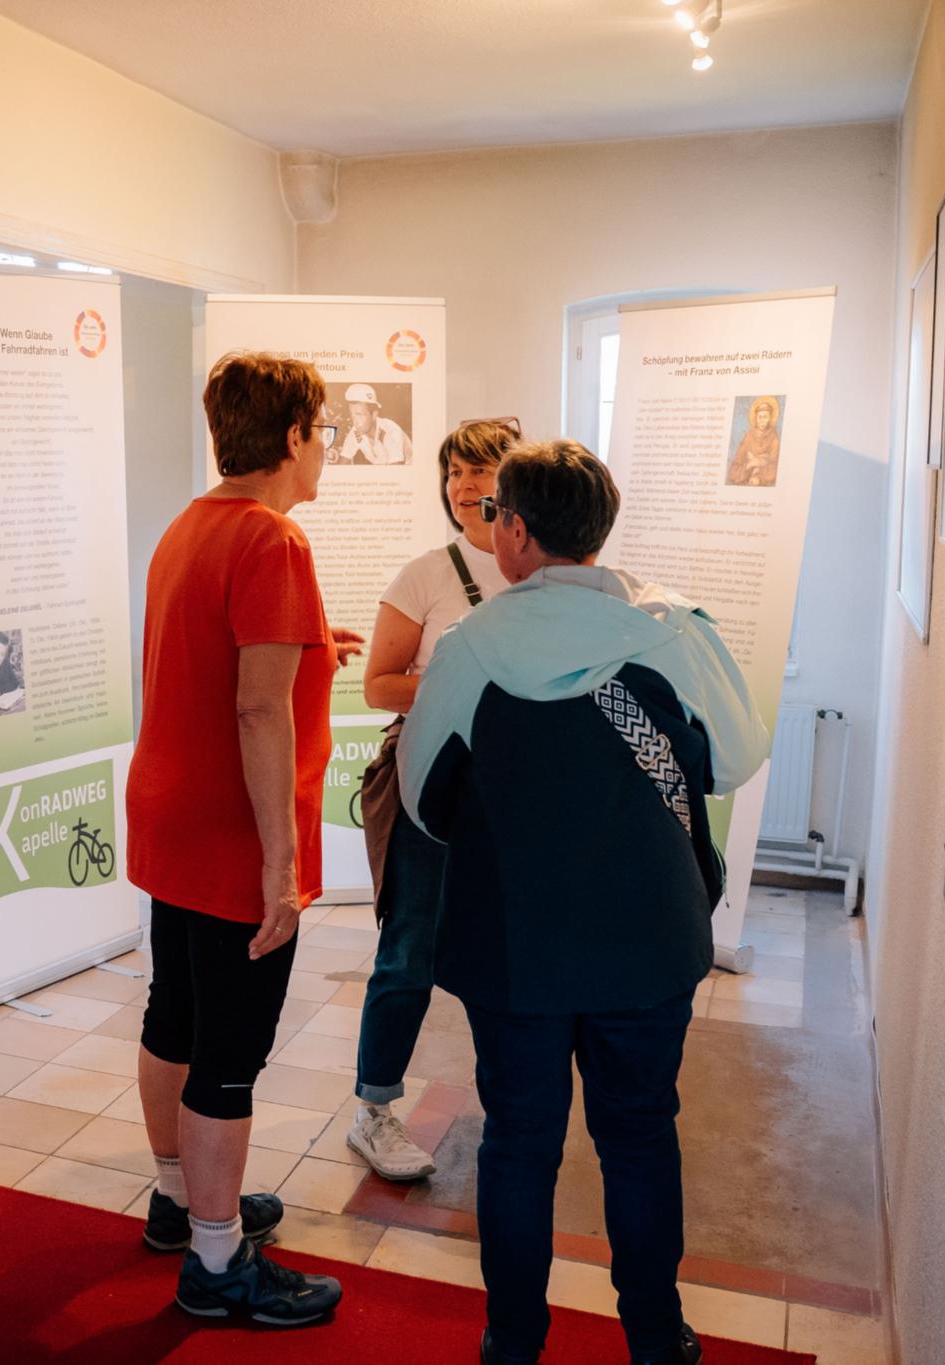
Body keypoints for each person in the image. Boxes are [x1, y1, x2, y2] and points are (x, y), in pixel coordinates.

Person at [397, 440, 767, 1365]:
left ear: (514, 529)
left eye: (495, 518)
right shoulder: (674, 630)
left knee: (518, 1142)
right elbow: (734, 757)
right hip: (648, 934)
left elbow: (422, 798)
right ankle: (653, 1333)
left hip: (511, 940)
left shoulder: (470, 648)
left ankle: (514, 1339)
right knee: (640, 1132)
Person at [127, 351, 363, 1327]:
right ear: (295, 436)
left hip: (169, 816)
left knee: (172, 1014)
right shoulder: (273, 543)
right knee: (227, 1051)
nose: (327, 454)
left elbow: (233, 658)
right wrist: (281, 868)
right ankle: (219, 1265)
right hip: (232, 839)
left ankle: (179, 1204)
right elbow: (257, 711)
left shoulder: (192, 525)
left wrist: (317, 648)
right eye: (324, 433)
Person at [346, 418, 522, 1181]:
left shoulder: (541, 572)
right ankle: (374, 1110)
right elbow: (378, 683)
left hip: (515, 796)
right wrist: (461, 687)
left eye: (479, 470)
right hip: (433, 791)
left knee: (507, 954)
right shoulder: (426, 574)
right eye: (453, 471)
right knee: (410, 952)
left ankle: (513, 1105)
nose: (463, 485)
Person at [335, 382, 413, 465]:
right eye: (352, 415)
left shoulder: (390, 431)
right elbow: (342, 462)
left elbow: (396, 473)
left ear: (374, 415)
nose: (355, 421)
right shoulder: (356, 432)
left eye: (359, 415)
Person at [726, 396, 781, 486]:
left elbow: (775, 468)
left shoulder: (774, 438)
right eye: (760, 417)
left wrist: (759, 476)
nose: (762, 420)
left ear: (770, 418)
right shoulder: (748, 436)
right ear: (756, 418)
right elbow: (733, 471)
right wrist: (751, 464)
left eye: (765, 417)